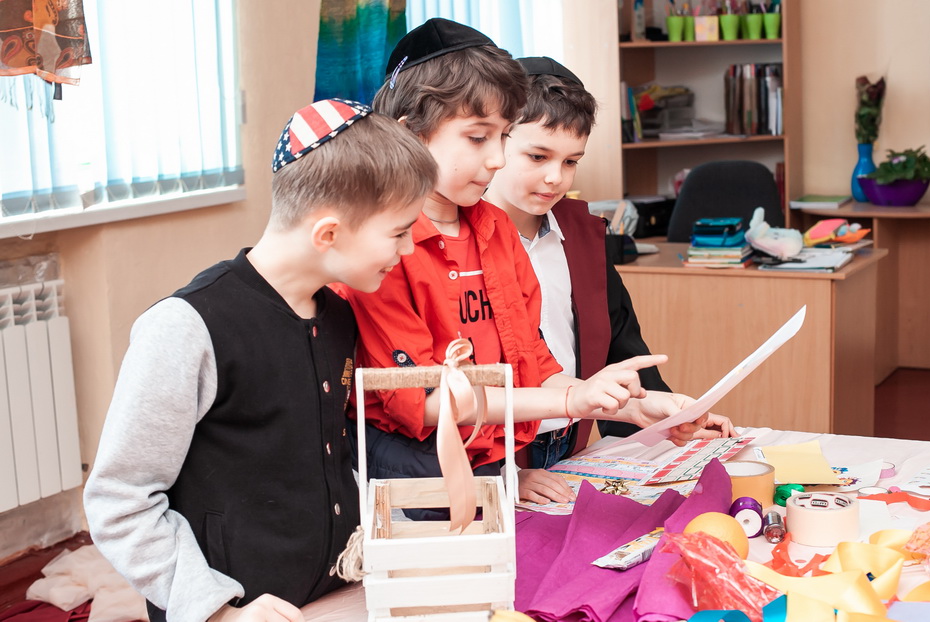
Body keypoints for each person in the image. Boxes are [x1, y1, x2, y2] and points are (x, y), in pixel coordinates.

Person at [334, 19, 713, 510]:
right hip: (413, 486)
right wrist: (569, 402)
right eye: (479, 138)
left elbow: (532, 362)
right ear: (409, 134)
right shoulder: (382, 251)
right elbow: (423, 402)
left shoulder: (494, 228)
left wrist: (627, 404)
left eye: (502, 138)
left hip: (494, 472)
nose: (496, 160)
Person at [83, 99, 439, 622]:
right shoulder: (185, 328)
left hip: (333, 599)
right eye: (399, 232)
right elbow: (120, 502)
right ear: (328, 233)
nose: (408, 250)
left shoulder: (338, 315)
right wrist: (219, 610)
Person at [484, 58, 736, 482]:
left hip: (570, 445)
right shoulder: (463, 243)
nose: (555, 178)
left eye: (571, 162)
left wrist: (670, 417)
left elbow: (620, 341)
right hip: (497, 455)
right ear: (494, 143)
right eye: (537, 156)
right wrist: (499, 475)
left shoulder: (584, 234)